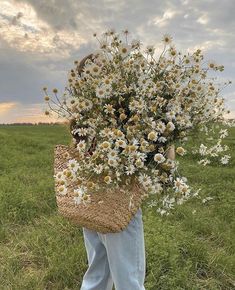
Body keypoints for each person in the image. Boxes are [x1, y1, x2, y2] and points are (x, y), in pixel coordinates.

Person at [69, 53, 175, 290]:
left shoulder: (81, 116)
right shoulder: (123, 112)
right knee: (128, 276)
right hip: (120, 203)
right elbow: (147, 151)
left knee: (97, 271)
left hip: (90, 201)